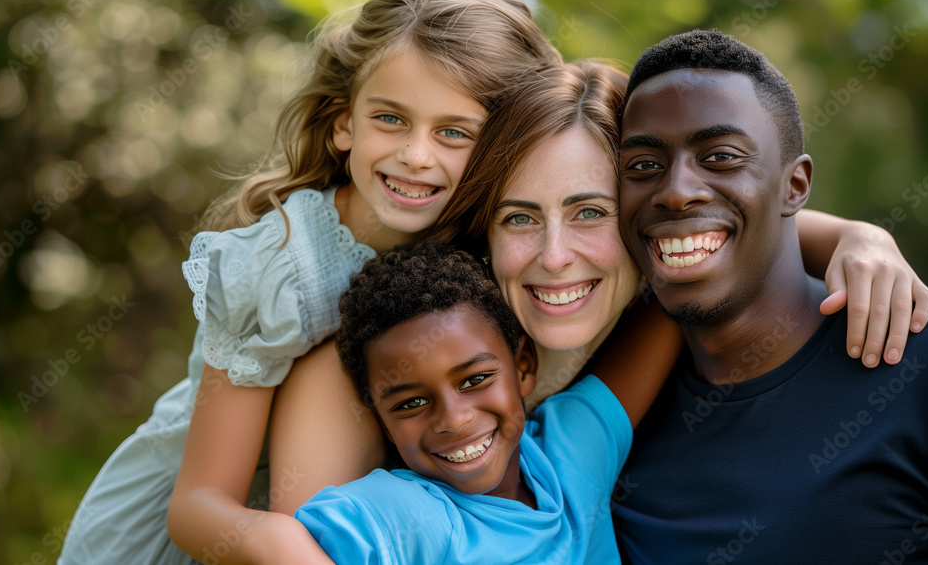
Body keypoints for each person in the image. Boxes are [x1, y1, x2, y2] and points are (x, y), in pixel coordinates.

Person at [264, 56, 928, 524]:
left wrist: (855, 237)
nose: (555, 258)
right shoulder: (391, 359)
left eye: (590, 212)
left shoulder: (670, 319)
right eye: (519, 218)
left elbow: (732, 228)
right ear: (483, 230)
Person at [58, 0, 562, 565]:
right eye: (390, 119)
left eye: (454, 132)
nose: (416, 154)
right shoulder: (280, 268)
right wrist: (286, 544)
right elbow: (197, 506)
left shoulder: (491, 242)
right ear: (344, 122)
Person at [611, 29, 928, 562]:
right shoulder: (621, 412)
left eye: (720, 156)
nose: (676, 191)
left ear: (794, 186)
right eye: (642, 166)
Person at [285, 241, 680, 564]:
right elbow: (277, 538)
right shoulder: (411, 516)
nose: (454, 419)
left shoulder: (572, 452)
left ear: (524, 367)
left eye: (474, 380)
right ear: (383, 422)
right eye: (411, 403)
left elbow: (675, 294)